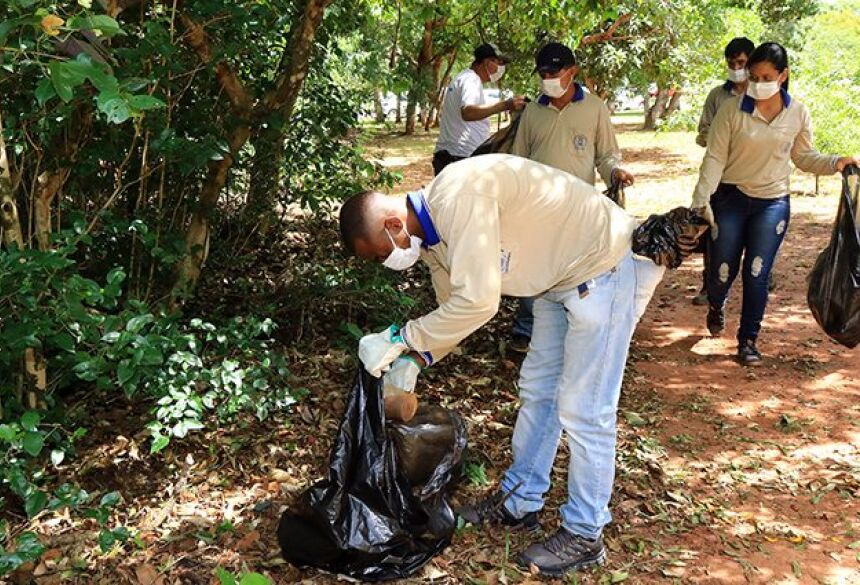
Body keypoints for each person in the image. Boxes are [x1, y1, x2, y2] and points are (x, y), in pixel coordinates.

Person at [340, 154, 666, 576]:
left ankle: (586, 532)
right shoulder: (433, 244)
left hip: (602, 264)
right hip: (554, 281)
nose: (389, 262)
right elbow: (456, 313)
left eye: (381, 254)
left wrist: (402, 337)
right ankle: (521, 500)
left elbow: (478, 301)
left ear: (391, 225)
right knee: (538, 392)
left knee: (585, 409)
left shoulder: (459, 195)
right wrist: (416, 359)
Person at [691, 42, 859, 365]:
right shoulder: (730, 110)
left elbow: (803, 157)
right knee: (722, 270)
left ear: (783, 76)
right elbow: (713, 159)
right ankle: (716, 302)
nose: (757, 83)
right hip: (731, 198)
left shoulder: (798, 112)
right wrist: (700, 203)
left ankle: (748, 340)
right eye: (753, 76)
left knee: (757, 272)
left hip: (772, 203)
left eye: (766, 76)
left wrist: (836, 161)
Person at [507, 41, 634, 353]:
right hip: (536, 205)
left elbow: (606, 155)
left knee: (572, 267)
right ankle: (525, 329)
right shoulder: (533, 111)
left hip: (578, 205)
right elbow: (518, 159)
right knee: (533, 264)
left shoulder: (594, 108)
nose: (547, 77)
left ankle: (570, 325)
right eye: (543, 72)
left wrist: (615, 172)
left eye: (554, 71)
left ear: (572, 71)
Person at [691, 37, 756, 306]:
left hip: (753, 177)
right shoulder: (718, 96)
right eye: (731, 63)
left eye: (741, 63)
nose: (736, 68)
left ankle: (760, 273)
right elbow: (703, 132)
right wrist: (718, 138)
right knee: (713, 233)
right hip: (719, 178)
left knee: (755, 229)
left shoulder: (763, 96)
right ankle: (710, 286)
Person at [432, 43, 525, 175]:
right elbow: (468, 112)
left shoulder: (464, 78)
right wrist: (505, 105)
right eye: (499, 63)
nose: (501, 68)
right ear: (487, 62)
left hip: (453, 155)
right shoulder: (471, 79)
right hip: (461, 157)